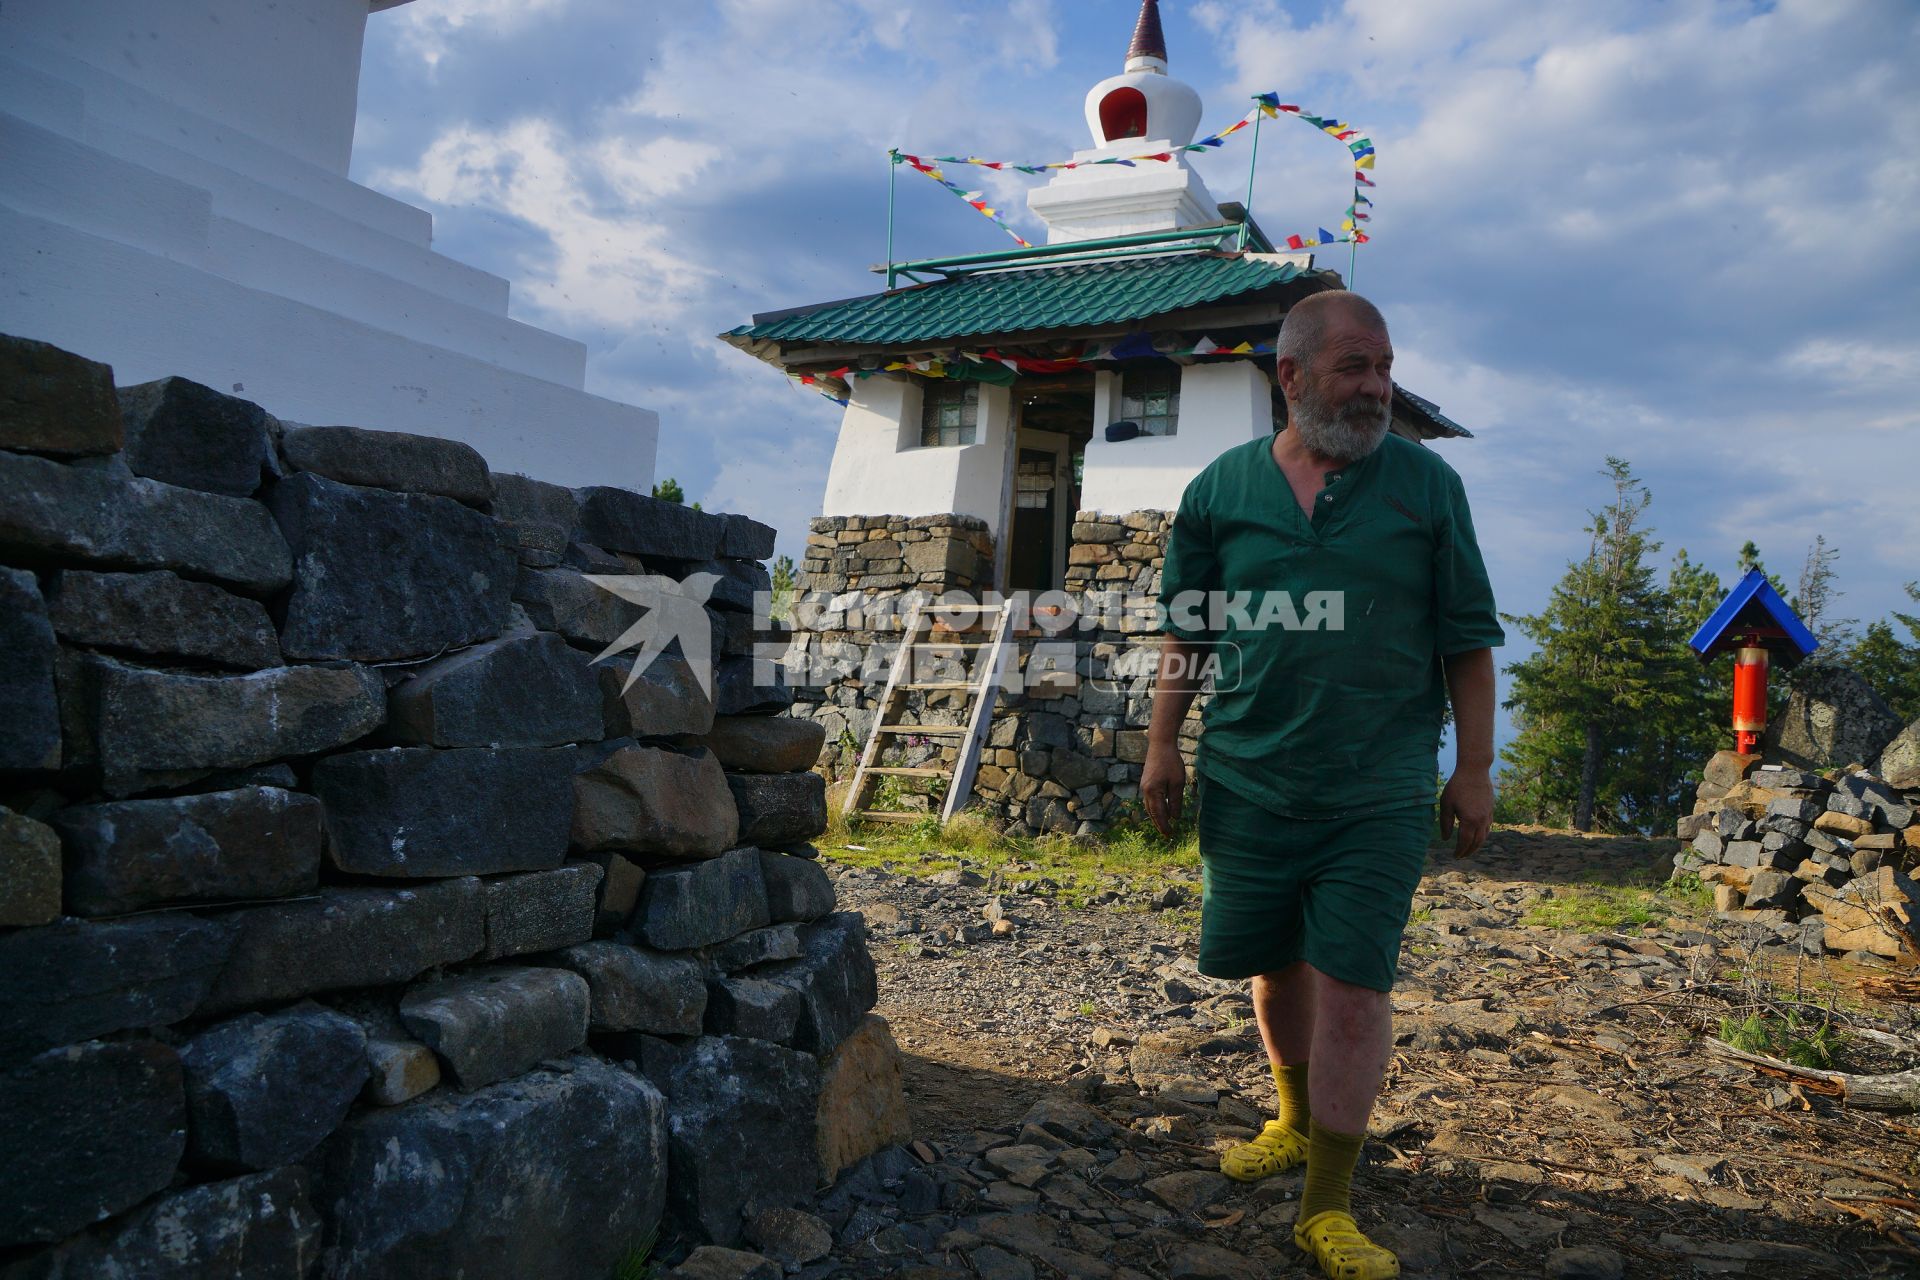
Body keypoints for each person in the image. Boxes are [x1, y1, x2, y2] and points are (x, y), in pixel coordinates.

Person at [1140, 290, 1503, 1280]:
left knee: (1353, 980)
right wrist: (1162, 743)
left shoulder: (1426, 489)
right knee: (1271, 961)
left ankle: (1325, 1207)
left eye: (1384, 365)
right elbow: (1189, 627)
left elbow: (1468, 639)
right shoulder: (1222, 490)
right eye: (1355, 366)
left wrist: (1472, 767)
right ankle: (1295, 1120)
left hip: (1377, 785)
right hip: (1249, 773)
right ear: (1290, 377)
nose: (1378, 386)